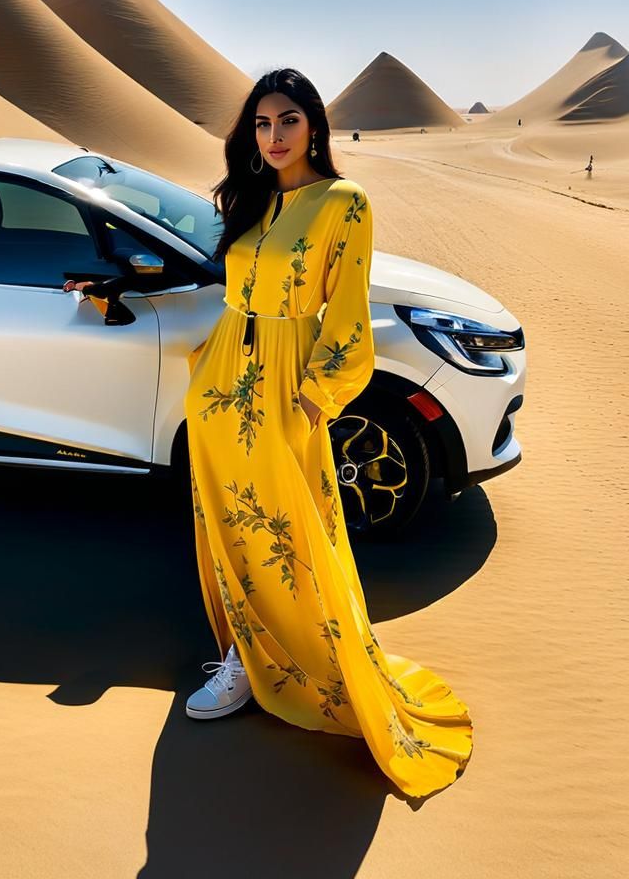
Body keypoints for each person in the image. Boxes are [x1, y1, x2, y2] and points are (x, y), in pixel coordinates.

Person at [70, 67, 473, 800]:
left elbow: (349, 318)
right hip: (225, 378)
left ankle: (298, 665)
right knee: (227, 529)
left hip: (287, 389)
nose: (274, 136)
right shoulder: (256, 201)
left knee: (290, 533)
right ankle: (243, 661)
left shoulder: (343, 204)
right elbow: (213, 277)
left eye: (287, 120)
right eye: (262, 124)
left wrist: (314, 403)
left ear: (313, 124)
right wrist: (119, 288)